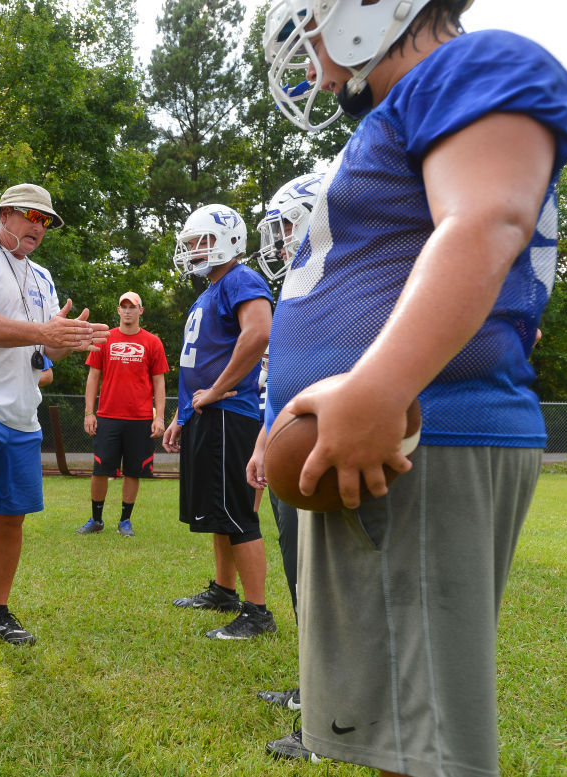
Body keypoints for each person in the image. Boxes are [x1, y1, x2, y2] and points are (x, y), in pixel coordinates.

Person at [257, 1, 567, 775]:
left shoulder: (473, 64)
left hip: (421, 435)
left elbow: (486, 221)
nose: (310, 65)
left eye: (310, 34)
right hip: (387, 438)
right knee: (392, 739)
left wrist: (379, 386)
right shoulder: (408, 108)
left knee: (426, 750)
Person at [0, 183, 109, 676]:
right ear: (5, 213)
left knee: (11, 517)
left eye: (46, 221)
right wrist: (45, 333)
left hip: (21, 410)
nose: (39, 227)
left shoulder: (42, 277)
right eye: (32, 216)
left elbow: (42, 354)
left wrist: (68, 340)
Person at [162, 204, 275, 640]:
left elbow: (259, 332)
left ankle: (257, 612)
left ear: (229, 240)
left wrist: (214, 392)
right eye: (190, 243)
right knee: (220, 510)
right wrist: (182, 414)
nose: (193, 250)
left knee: (237, 511)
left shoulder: (241, 278)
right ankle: (225, 591)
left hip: (230, 413)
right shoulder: (210, 290)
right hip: (208, 414)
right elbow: (199, 361)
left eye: (201, 241)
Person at [247, 172, 324, 762]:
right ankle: (317, 688)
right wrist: (262, 444)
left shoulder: (341, 283)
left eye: (287, 225)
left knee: (331, 583)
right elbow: (282, 383)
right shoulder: (299, 286)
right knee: (303, 577)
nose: (278, 241)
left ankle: (335, 717)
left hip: (321, 450)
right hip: (285, 444)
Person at [74, 291, 169, 538]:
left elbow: (159, 382)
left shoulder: (152, 342)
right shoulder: (105, 339)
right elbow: (93, 377)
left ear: (140, 311)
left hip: (140, 419)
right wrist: (89, 412)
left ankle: (125, 521)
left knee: (134, 471)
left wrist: (159, 417)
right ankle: (96, 520)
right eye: (123, 307)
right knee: (100, 469)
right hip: (108, 416)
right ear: (118, 310)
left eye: (132, 307)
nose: (127, 311)